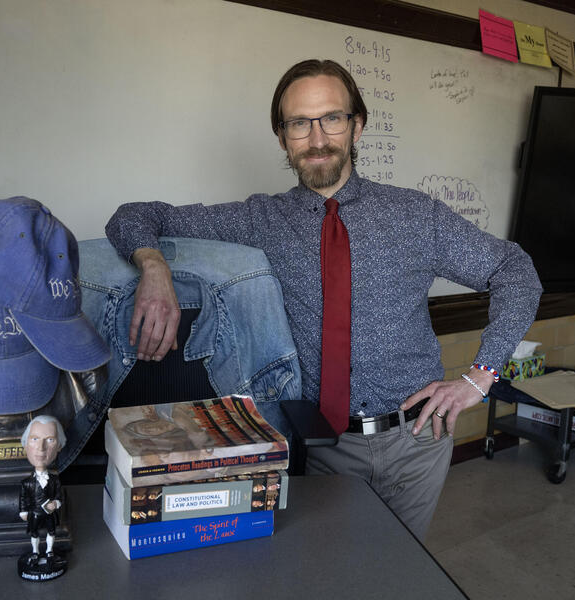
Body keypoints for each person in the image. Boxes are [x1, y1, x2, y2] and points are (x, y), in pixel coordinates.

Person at [104, 59, 542, 539]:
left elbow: (515, 271)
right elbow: (135, 216)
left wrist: (481, 376)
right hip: (320, 446)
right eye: (299, 123)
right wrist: (152, 265)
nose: (317, 139)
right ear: (282, 137)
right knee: (327, 574)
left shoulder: (416, 216)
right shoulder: (260, 220)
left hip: (419, 442)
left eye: (332, 118)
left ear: (358, 125)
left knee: (402, 573)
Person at [19, 415, 66, 565]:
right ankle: (35, 552)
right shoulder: (27, 483)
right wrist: (24, 511)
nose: (41, 447)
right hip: (35, 513)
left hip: (49, 514)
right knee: (34, 533)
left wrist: (56, 504)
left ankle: (49, 550)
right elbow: (23, 498)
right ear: (25, 444)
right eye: (34, 439)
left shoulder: (54, 480)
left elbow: (59, 495)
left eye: (50, 440)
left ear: (59, 445)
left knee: (51, 531)